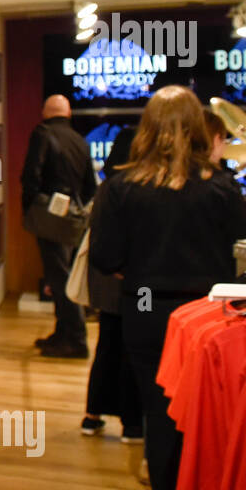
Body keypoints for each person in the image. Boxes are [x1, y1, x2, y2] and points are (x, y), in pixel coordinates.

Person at [89, 86, 246, 490]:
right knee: (212, 420)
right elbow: (241, 256)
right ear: (201, 129)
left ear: (147, 127)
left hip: (145, 308)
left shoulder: (119, 187)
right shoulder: (221, 186)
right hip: (210, 313)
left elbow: (105, 257)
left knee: (163, 420)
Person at [21, 94, 97, 357]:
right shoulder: (80, 141)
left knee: (60, 277)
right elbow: (91, 187)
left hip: (49, 218)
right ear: (67, 113)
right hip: (73, 221)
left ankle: (75, 338)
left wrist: (31, 207)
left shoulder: (42, 134)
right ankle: (63, 332)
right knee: (65, 275)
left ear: (45, 112)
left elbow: (31, 175)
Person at [80, 125, 142, 440]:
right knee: (131, 348)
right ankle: (132, 422)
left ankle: (92, 415)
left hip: (105, 281)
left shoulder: (108, 185)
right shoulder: (131, 187)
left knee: (107, 345)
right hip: (129, 281)